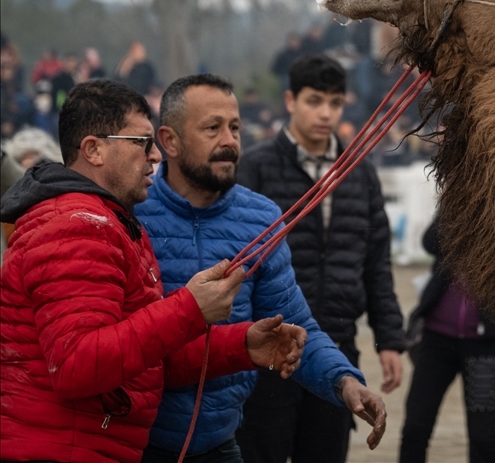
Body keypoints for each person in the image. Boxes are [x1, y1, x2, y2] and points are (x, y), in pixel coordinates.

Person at [0, 79, 305, 463]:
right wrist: (191, 308)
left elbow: (142, 360)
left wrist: (242, 345)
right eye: (141, 143)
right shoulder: (75, 225)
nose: (156, 157)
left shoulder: (111, 221)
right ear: (93, 149)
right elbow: (78, 365)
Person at [135, 73, 387, 462]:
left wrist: (345, 381)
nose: (229, 141)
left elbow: (295, 324)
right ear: (168, 141)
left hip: (223, 442)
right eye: (212, 128)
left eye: (234, 127)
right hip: (137, 444)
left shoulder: (261, 219)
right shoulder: (132, 214)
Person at [235, 54, 405, 463]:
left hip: (337, 347)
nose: (325, 113)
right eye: (315, 101)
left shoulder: (358, 173)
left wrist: (390, 338)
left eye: (334, 102)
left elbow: (376, 260)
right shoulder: (255, 168)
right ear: (291, 100)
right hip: (270, 350)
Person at [399, 218, 495, 463]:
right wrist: (458, 207)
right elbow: (430, 241)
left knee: (484, 435)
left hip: (488, 343)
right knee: (414, 429)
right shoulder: (459, 204)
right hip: (436, 339)